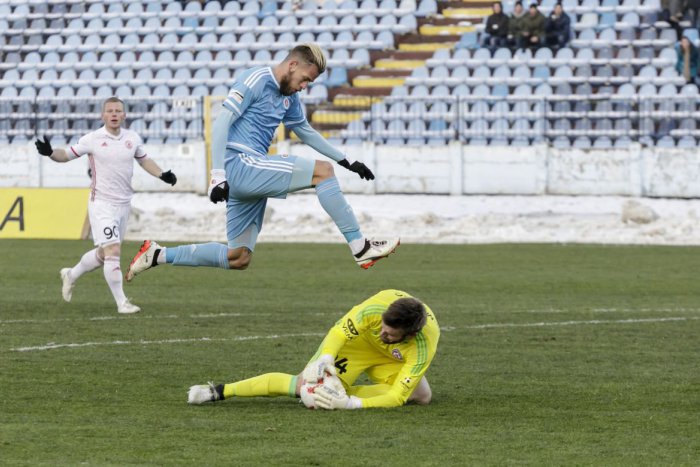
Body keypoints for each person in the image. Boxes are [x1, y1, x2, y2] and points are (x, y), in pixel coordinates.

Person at [125, 44, 398, 282]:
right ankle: (360, 247)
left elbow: (304, 130)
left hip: (248, 174)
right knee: (322, 172)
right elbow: (221, 123)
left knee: (238, 257)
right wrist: (217, 176)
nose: (304, 86)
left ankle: (157, 254)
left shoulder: (290, 96)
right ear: (292, 65)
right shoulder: (256, 79)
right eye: (304, 79)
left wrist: (347, 160)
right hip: (239, 165)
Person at [34, 97, 177, 314]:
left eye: (118, 111)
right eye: (109, 111)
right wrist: (50, 152)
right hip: (101, 203)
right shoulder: (92, 139)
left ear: (124, 115)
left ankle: (70, 275)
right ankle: (122, 303)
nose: (114, 114)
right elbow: (66, 155)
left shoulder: (132, 138)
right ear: (103, 115)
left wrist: (162, 174)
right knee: (113, 250)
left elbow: (144, 160)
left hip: (123, 204)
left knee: (103, 254)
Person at [187, 289, 440, 409]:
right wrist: (327, 356)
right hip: (357, 346)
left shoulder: (422, 347)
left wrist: (352, 404)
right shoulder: (376, 308)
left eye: (390, 334)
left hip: (392, 360)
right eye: (382, 327)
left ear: (410, 334)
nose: (383, 333)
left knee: (420, 396)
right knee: (303, 386)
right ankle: (218, 391)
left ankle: (340, 393)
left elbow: (396, 398)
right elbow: (340, 332)